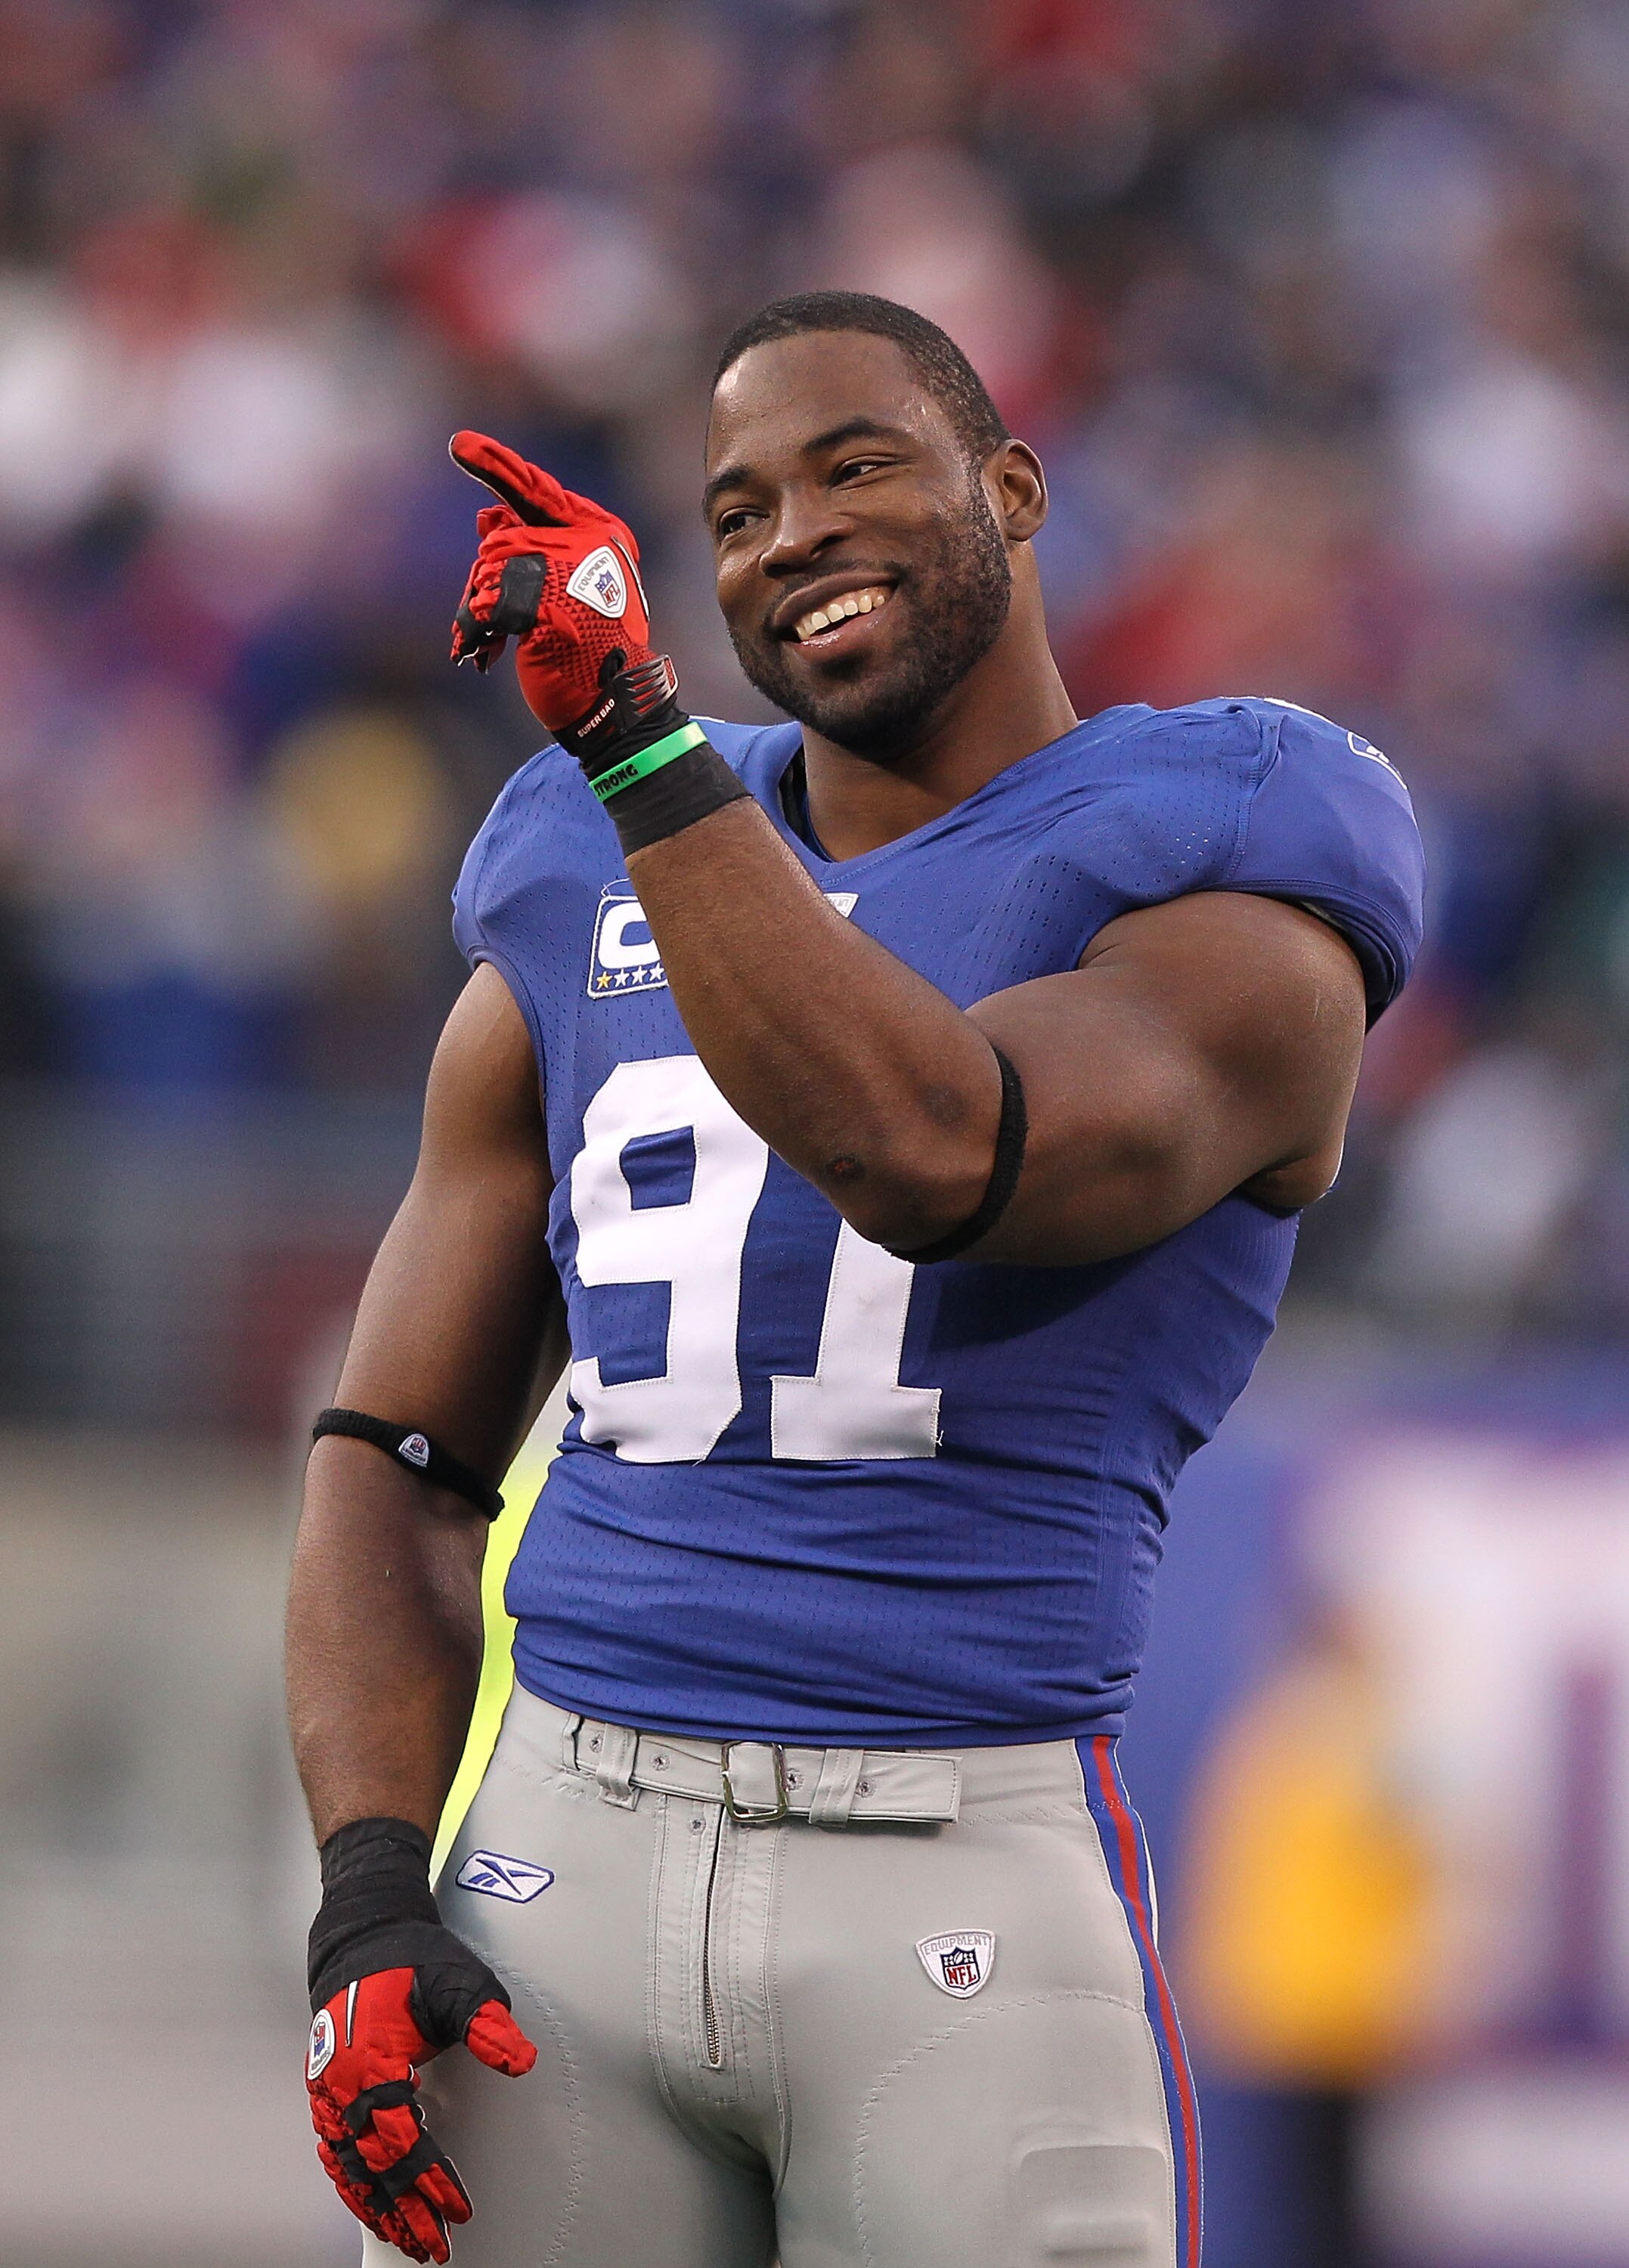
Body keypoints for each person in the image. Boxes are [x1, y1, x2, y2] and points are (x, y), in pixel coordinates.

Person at [285, 290, 1424, 2268]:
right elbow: (391, 1454)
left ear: (1009, 486)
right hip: (557, 1864)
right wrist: (373, 1885)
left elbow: (934, 1148)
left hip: (950, 1902)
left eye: (852, 463)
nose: (785, 531)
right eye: (729, 513)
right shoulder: (579, 858)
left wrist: (642, 751)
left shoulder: (1223, 857)